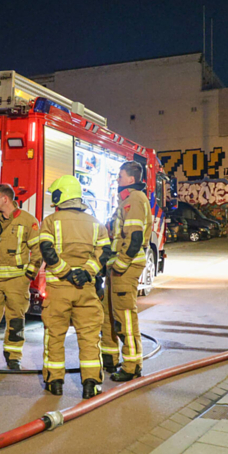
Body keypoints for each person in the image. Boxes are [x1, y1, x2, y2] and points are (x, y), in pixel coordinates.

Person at [38, 175, 111, 398]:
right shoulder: (95, 223)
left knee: (55, 335)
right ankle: (91, 384)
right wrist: (85, 272)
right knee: (89, 336)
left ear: (61, 196)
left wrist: (66, 272)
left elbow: (47, 251)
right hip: (86, 289)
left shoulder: (51, 221)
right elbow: (105, 253)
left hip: (59, 288)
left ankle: (55, 382)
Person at [0, 184, 41, 370]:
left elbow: (38, 251)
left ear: (5, 199)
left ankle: (13, 358)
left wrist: (28, 275)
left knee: (16, 321)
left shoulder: (28, 221)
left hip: (17, 282)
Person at [101, 161, 153, 381]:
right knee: (108, 314)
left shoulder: (134, 200)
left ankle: (132, 366)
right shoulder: (126, 201)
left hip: (126, 266)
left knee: (124, 317)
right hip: (117, 267)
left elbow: (134, 239)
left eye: (120, 176)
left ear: (131, 179)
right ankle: (110, 359)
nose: (117, 179)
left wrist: (121, 265)